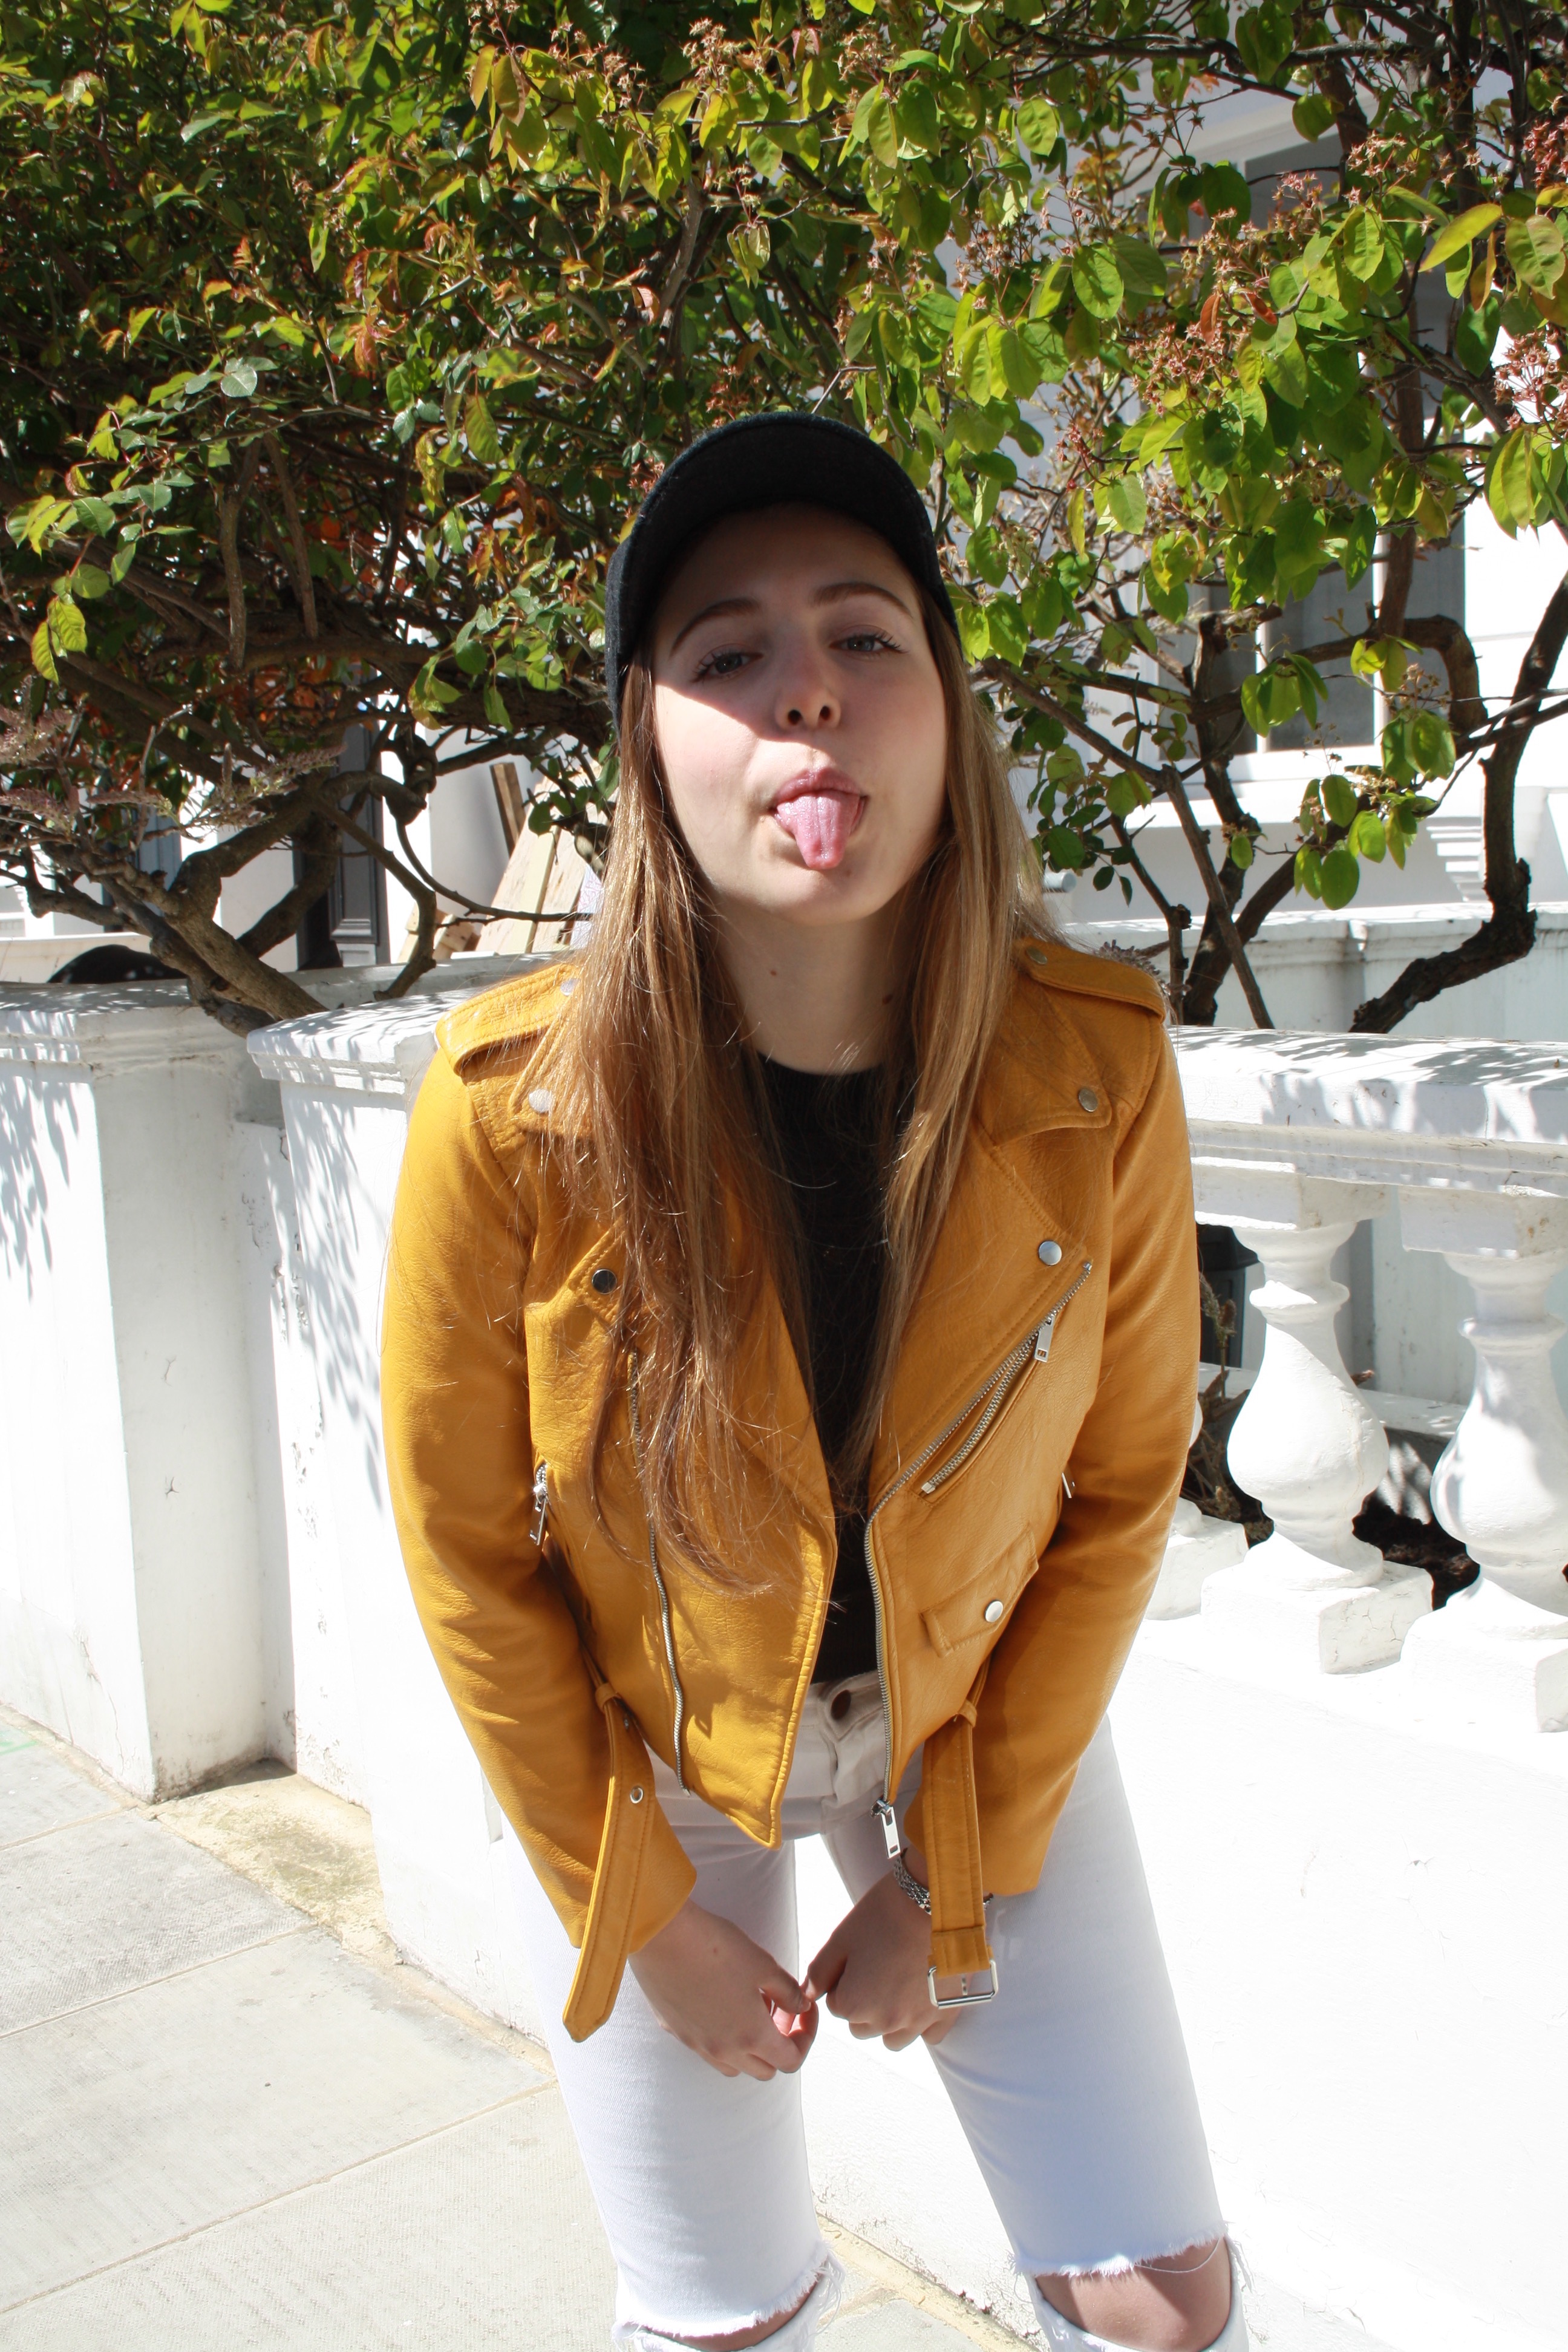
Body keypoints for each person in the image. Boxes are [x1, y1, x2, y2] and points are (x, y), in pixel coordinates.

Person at [382, 413, 1246, 2352]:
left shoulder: (1095, 1062)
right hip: (646, 1745)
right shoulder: (510, 1111)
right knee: (721, 2317)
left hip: (967, 1711)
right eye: (730, 654)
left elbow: (1124, 1491)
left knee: (1157, 2299)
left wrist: (955, 1877)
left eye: (866, 636)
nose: (809, 694)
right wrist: (640, 1914)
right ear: (646, 743)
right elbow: (466, 1553)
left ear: (947, 709)